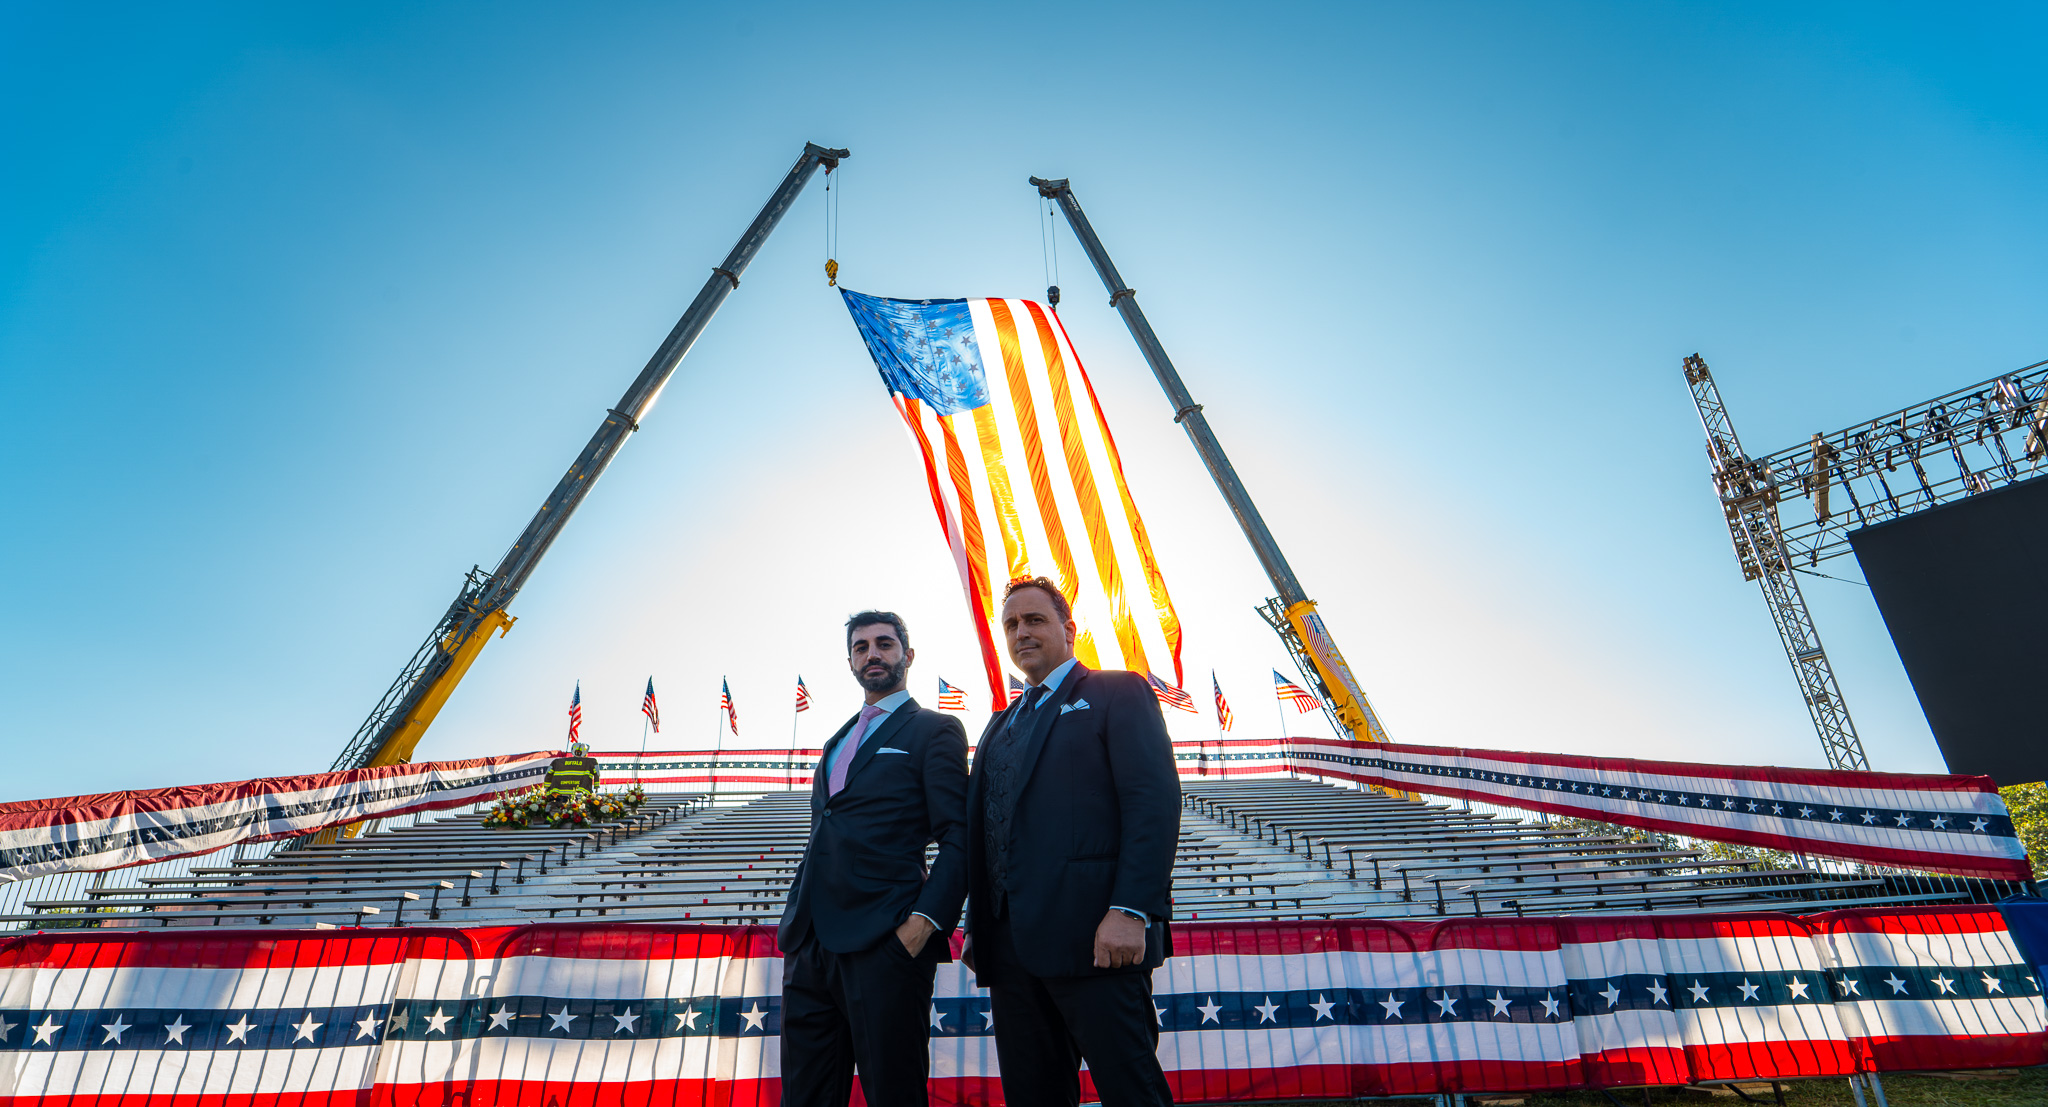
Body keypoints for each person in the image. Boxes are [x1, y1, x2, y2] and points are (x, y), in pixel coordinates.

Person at [965, 577, 1181, 1107]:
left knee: (1132, 1092)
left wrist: (1131, 909)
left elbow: (1153, 803)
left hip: (1097, 939)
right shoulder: (998, 723)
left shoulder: (1116, 690)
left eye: (1034, 620)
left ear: (1068, 629)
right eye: (1011, 624)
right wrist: (980, 925)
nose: (1021, 632)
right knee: (1032, 1095)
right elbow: (989, 833)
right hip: (1011, 951)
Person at [777, 611, 971, 1107]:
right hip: (810, 946)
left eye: (885, 644)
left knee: (894, 1092)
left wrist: (925, 922)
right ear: (850, 662)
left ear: (908, 655)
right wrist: (795, 925)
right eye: (861, 647)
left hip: (885, 941)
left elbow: (960, 834)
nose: (873, 654)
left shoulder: (935, 729)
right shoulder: (834, 741)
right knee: (806, 1096)